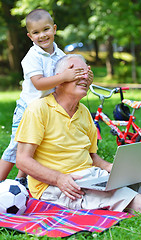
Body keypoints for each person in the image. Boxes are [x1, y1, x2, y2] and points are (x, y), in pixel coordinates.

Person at [15, 54, 141, 216]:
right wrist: (58, 178)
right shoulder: (38, 109)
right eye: (76, 71)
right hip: (57, 187)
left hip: (90, 177)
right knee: (125, 197)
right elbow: (22, 160)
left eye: (86, 72)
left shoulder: (84, 112)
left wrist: (110, 168)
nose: (84, 76)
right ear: (58, 79)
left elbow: (92, 157)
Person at [0, 9, 93, 187]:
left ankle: (21, 180)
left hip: (49, 109)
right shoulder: (31, 58)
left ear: (54, 29)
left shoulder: (61, 56)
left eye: (46, 29)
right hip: (28, 108)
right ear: (30, 36)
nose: (42, 35)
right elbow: (39, 83)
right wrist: (65, 76)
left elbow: (71, 78)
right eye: (36, 32)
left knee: (38, 144)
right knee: (15, 148)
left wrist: (86, 77)